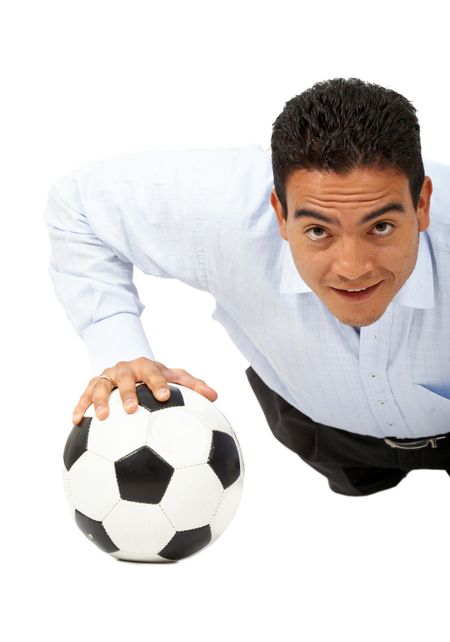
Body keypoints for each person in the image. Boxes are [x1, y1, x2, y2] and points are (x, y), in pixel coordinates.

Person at [43, 77, 450, 497]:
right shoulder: (224, 211)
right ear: (279, 212)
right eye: (317, 230)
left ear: (422, 205)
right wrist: (120, 353)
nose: (351, 268)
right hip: (321, 430)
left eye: (380, 227)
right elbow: (78, 208)